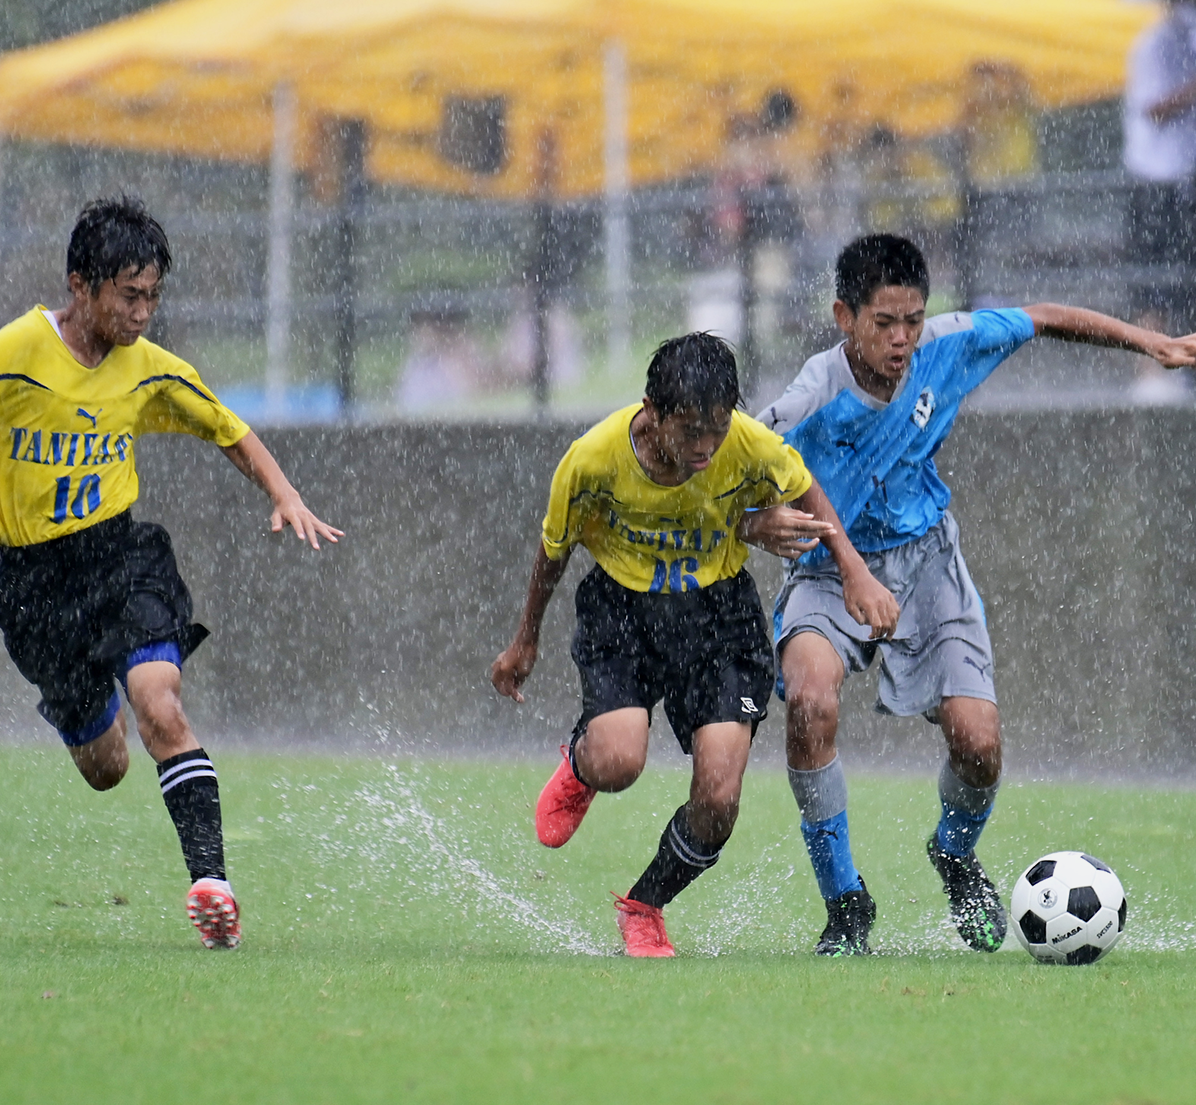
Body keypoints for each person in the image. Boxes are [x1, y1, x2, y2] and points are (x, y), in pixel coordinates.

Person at [0, 197, 342, 950]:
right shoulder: (14, 356)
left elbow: (227, 427)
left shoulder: (148, 369)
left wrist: (283, 492)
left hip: (122, 559)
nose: (143, 313)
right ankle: (102, 709)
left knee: (162, 707)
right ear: (80, 285)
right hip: (34, 586)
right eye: (129, 295)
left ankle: (213, 886)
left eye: (153, 297)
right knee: (106, 768)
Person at [751, 233, 1196, 956]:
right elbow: (727, 486)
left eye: (912, 321)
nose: (901, 341)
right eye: (883, 323)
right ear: (843, 316)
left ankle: (954, 854)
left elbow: (1044, 315)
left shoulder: (947, 345)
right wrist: (755, 522)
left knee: (979, 744)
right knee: (808, 698)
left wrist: (1155, 344)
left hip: (929, 565)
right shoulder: (806, 399)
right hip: (830, 572)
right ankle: (846, 905)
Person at [490, 332, 897, 957]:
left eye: (718, 427)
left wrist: (853, 570)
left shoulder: (744, 444)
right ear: (652, 411)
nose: (706, 446)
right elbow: (554, 550)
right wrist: (525, 640)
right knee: (618, 762)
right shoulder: (592, 460)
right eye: (691, 430)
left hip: (718, 618)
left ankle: (645, 905)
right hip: (623, 612)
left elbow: (805, 488)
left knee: (718, 800)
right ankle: (581, 763)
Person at [1124, 0, 1196, 333]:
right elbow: (1152, 106)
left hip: (1183, 177)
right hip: (1155, 178)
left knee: (1183, 275)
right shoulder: (1156, 43)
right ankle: (1152, 371)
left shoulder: (1186, 41)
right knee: (1153, 278)